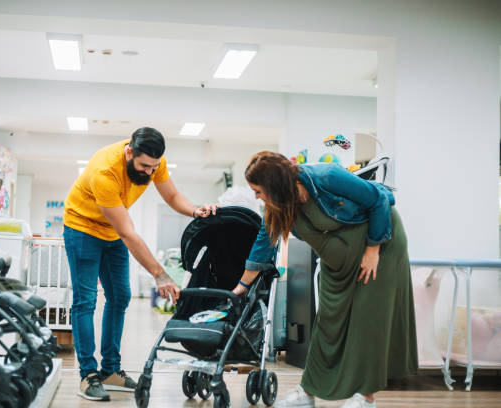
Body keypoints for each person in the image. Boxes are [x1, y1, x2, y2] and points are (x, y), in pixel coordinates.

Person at [232, 152, 417, 408]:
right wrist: (241, 286)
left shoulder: (327, 177)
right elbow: (263, 243)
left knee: (367, 319)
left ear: (275, 185)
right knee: (328, 321)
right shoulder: (279, 205)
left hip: (379, 247)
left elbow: (378, 201)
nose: (256, 197)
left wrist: (373, 249)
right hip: (338, 261)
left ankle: (366, 397)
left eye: (258, 191)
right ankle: (307, 393)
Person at [63, 127, 218, 401]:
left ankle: (110, 371)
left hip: (112, 232)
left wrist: (195, 210)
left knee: (120, 296)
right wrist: (160, 274)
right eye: (144, 166)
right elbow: (128, 233)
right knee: (85, 300)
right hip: (82, 228)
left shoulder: (154, 162)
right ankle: (88, 375)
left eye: (154, 167)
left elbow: (171, 196)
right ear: (128, 152)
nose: (149, 172)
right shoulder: (105, 171)